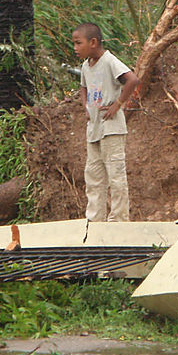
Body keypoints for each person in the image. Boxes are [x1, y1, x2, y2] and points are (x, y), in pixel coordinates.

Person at [72, 22, 139, 222]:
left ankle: (118, 220)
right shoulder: (86, 65)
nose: (75, 48)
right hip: (93, 128)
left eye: (78, 43)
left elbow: (132, 79)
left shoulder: (109, 61)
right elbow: (83, 87)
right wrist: (85, 106)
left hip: (111, 128)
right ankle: (95, 220)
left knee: (116, 176)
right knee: (93, 177)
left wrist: (117, 104)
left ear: (93, 42)